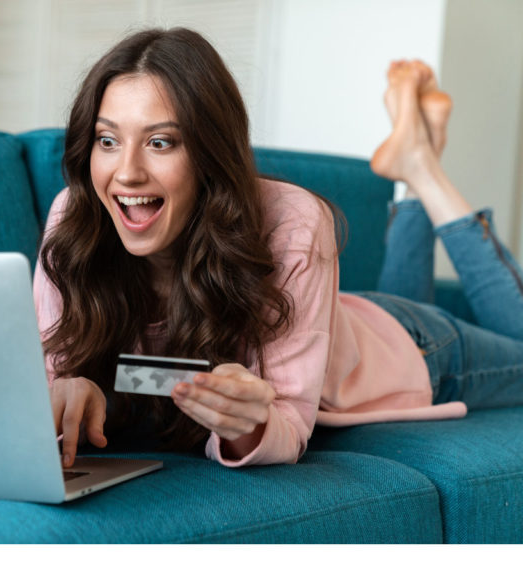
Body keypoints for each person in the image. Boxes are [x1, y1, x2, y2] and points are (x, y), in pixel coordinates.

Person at [32, 28, 523, 468]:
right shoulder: (73, 221)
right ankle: (416, 163)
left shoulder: (293, 218)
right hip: (341, 324)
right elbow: (56, 389)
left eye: (161, 142)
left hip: (412, 349)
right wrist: (64, 389)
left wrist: (249, 422)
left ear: (210, 152)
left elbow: (289, 422)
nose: (127, 173)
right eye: (107, 140)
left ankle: (426, 174)